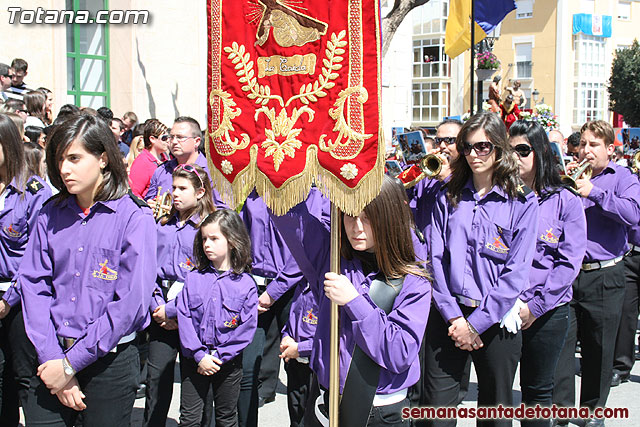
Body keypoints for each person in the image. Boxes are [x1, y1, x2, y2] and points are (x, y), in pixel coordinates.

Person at [19, 113, 157, 426]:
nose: (65, 169)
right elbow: (34, 285)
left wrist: (70, 365)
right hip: (48, 357)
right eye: (59, 160)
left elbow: (130, 304)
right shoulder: (49, 214)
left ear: (104, 159)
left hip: (108, 364)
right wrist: (54, 359)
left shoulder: (134, 217)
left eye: (75, 158)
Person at [272, 176, 431, 427]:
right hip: (330, 400)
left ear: (389, 218)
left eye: (368, 218)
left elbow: (400, 352)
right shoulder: (332, 259)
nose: (356, 227)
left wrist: (355, 302)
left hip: (383, 411)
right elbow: (291, 217)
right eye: (349, 215)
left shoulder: (414, 280)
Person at [424, 111, 538, 427]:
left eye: (483, 147)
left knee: (495, 415)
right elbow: (435, 260)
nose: (475, 154)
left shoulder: (522, 202)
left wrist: (475, 325)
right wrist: (455, 318)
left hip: (495, 319)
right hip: (449, 316)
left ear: (499, 148)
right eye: (469, 147)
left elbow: (515, 273)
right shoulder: (448, 195)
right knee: (437, 413)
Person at [552, 120, 640, 427]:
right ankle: (561, 410)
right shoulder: (570, 176)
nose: (586, 150)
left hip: (605, 274)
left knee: (599, 349)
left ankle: (591, 412)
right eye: (583, 144)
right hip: (567, 272)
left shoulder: (623, 177)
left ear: (610, 149)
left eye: (594, 145)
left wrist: (595, 193)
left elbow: (632, 214)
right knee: (562, 345)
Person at [508, 121, 586, 427]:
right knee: (497, 392)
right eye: (509, 150)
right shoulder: (502, 197)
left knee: (537, 393)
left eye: (523, 150)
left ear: (540, 153)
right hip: (504, 307)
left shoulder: (566, 200)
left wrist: (534, 308)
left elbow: (568, 263)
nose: (515, 158)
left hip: (547, 312)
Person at [144, 164, 217, 427]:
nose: (175, 193)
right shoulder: (162, 223)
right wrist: (158, 304)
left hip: (192, 312)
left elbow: (210, 277)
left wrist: (174, 310)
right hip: (160, 306)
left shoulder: (208, 228)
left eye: (182, 188)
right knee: (156, 379)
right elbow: (148, 267)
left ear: (200, 192)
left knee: (196, 383)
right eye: (173, 187)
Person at [177, 209, 258, 427]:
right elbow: (184, 317)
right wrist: (199, 355)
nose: (207, 244)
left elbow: (246, 328)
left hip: (227, 363)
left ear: (232, 241)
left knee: (226, 417)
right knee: (190, 418)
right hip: (194, 360)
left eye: (214, 239)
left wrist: (220, 355)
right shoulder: (193, 278)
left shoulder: (246, 284)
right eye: (204, 239)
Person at [0, 114, 51, 426]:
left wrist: (9, 299)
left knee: (24, 375)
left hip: (20, 297)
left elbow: (37, 255)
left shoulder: (33, 192)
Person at [279, 278, 317, 427]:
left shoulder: (326, 290)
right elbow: (292, 319)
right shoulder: (302, 285)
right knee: (296, 415)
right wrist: (286, 336)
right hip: (296, 362)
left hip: (315, 366)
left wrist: (300, 348)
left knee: (312, 417)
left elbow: (332, 336)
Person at [129, 119, 170, 199]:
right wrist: (147, 206)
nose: (168, 141)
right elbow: (134, 194)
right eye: (164, 138)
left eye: (168, 137)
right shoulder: (142, 162)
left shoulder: (166, 159)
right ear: (152, 139)